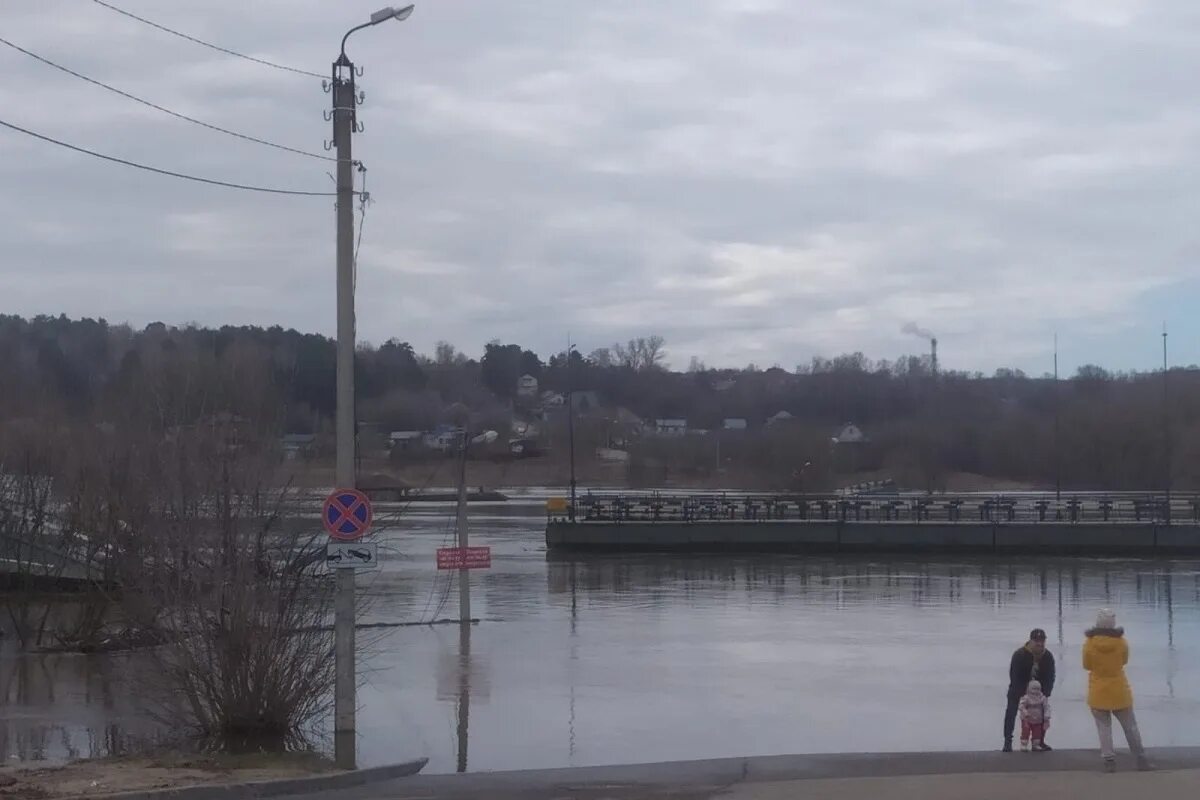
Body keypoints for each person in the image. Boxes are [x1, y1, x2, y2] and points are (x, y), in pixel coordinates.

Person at [1084, 608, 1151, 772]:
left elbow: (1086, 665)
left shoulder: (1089, 643)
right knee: (1130, 727)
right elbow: (1124, 661)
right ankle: (1140, 758)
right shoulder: (1121, 642)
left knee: (1103, 728)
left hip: (1098, 690)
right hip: (1119, 689)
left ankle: (1109, 761)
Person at [1003, 628, 1056, 752]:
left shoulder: (1047, 656)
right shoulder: (1019, 655)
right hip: (1018, 689)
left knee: (1042, 714)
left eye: (1042, 641)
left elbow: (1050, 675)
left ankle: (1039, 741)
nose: (1039, 644)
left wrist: (1046, 692)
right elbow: (1014, 675)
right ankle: (1007, 742)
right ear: (1030, 641)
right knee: (1011, 712)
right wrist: (1022, 694)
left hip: (1038, 692)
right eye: (1036, 641)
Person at [1018, 680, 1051, 752]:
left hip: (1038, 719)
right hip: (1027, 719)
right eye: (1034, 689)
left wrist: (1047, 716)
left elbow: (1047, 707)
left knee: (1037, 732)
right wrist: (1025, 712)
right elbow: (1021, 706)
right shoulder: (1026, 697)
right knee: (1025, 731)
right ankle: (1024, 744)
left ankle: (1035, 744)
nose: (1036, 691)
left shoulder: (1042, 697)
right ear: (1029, 689)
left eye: (1038, 689)